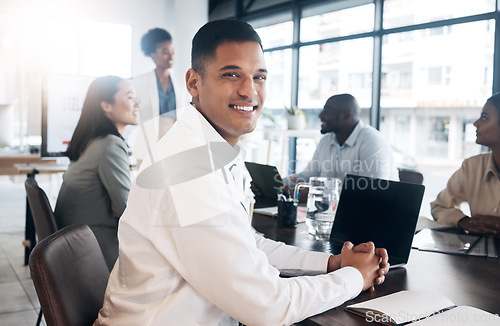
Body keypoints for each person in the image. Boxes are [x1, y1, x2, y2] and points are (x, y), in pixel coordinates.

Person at [95, 20, 389, 326]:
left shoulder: (209, 150)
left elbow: (247, 244)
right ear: (194, 83)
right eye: (232, 74)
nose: (250, 90)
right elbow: (267, 307)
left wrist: (331, 262)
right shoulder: (187, 168)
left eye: (259, 76)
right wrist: (354, 276)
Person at [54, 75, 139, 270]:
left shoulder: (92, 141)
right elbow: (127, 210)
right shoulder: (110, 144)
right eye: (129, 97)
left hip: (75, 245)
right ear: (106, 106)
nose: (137, 104)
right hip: (94, 249)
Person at [431, 93, 500, 237]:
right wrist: (463, 221)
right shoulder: (472, 167)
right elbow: (439, 206)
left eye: (485, 118)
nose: (476, 123)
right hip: (480, 258)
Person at [287, 94, 394, 185]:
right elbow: (306, 176)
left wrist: (317, 190)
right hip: (334, 208)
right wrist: (277, 184)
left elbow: (370, 190)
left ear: (346, 117)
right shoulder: (326, 141)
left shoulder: (372, 141)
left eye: (327, 111)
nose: (320, 115)